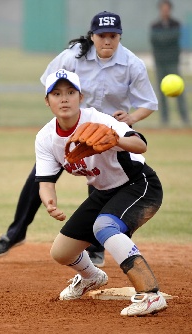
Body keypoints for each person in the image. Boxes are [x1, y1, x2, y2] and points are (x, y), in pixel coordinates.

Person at [0, 11, 158, 268]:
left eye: (113, 36)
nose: (107, 41)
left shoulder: (132, 64)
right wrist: (64, 100)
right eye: (102, 36)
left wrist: (129, 118)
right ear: (92, 36)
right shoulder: (73, 56)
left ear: (120, 37)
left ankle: (96, 247)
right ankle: (16, 232)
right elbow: (49, 80)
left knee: (103, 182)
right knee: (40, 177)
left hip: (107, 134)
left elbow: (148, 103)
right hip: (71, 129)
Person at [36, 68, 167, 316]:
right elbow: (45, 181)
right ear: (47, 101)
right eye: (56, 93)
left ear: (80, 97)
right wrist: (49, 201)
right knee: (61, 252)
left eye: (70, 92)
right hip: (104, 192)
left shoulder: (99, 120)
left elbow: (141, 145)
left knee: (104, 226)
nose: (64, 98)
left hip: (138, 185)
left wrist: (115, 137)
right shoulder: (45, 137)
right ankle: (91, 277)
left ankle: (151, 295)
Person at [150, 0, 189, 126]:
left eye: (167, 8)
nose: (165, 11)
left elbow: (174, 38)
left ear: (170, 9)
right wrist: (167, 38)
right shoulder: (155, 26)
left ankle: (185, 118)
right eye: (163, 8)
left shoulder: (175, 24)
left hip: (173, 62)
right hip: (160, 62)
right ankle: (164, 120)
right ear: (160, 10)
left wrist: (164, 38)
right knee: (161, 94)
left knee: (179, 91)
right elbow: (155, 41)